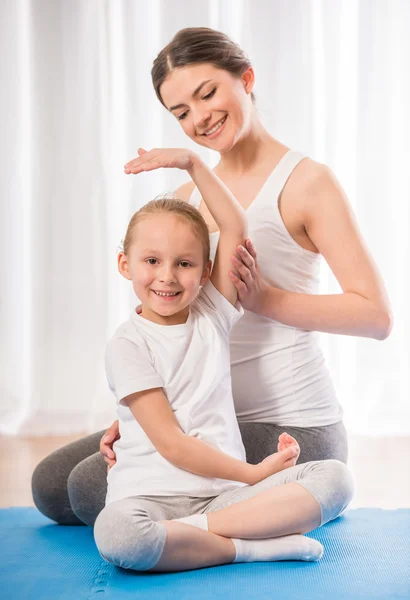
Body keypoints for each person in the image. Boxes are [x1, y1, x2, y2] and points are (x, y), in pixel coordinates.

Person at [31, 27, 391, 528]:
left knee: (88, 491)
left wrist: (262, 298)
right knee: (52, 486)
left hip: (290, 422)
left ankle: (219, 520)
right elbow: (171, 327)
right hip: (199, 418)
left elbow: (375, 315)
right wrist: (145, 414)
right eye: (181, 112)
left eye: (207, 93)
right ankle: (234, 512)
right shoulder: (190, 192)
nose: (199, 117)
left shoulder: (307, 182)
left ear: (246, 79)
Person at [92, 146, 353, 572]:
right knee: (119, 536)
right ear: (125, 264)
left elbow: (234, 223)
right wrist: (253, 474)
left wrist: (193, 164)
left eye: (184, 263)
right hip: (149, 499)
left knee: (337, 480)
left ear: (206, 269)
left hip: (222, 496)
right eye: (152, 261)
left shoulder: (211, 312)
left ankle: (194, 532)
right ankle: (249, 546)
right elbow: (173, 445)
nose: (167, 276)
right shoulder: (127, 345)